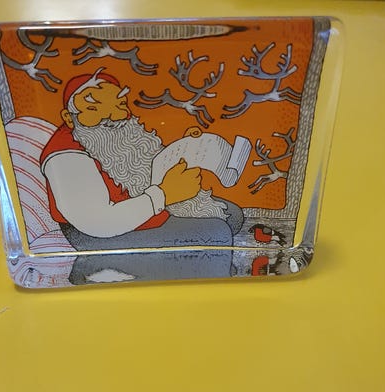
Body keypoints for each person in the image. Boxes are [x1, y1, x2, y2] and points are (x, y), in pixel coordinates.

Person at [39, 68, 243, 283]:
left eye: (118, 105)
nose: (110, 117)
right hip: (100, 234)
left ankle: (194, 264)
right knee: (216, 232)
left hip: (143, 207)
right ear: (69, 117)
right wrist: (164, 195)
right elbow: (97, 221)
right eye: (93, 108)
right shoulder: (66, 156)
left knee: (232, 215)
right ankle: (109, 270)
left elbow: (145, 166)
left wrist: (187, 148)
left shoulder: (122, 133)